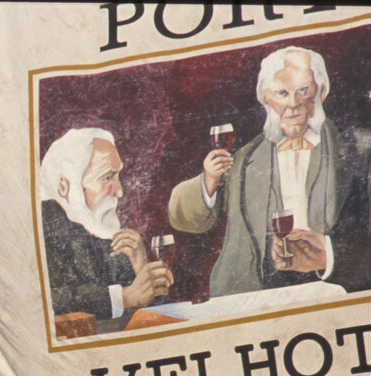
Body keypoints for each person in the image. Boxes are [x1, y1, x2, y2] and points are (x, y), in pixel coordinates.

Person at [168, 46, 369, 297]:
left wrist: (330, 254)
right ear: (266, 98)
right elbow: (183, 218)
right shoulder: (246, 158)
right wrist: (209, 180)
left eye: (303, 91)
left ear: (322, 91)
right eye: (282, 93)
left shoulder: (361, 149)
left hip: (336, 290)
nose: (293, 104)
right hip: (257, 296)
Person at [40, 127, 173, 320]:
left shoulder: (100, 225)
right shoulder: (41, 227)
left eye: (117, 176)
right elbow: (46, 299)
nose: (119, 192)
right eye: (107, 178)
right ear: (63, 186)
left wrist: (141, 270)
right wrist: (122, 298)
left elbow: (146, 310)